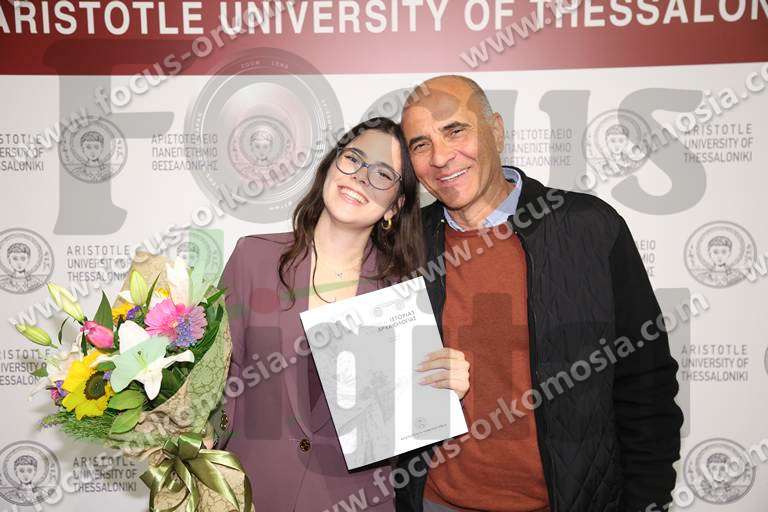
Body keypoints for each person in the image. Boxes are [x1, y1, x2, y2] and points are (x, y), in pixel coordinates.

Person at [395, 75, 684, 512]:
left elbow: (646, 381)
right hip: (437, 503)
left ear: (496, 131)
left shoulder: (588, 227)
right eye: (421, 144)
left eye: (455, 130)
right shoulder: (405, 245)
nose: (440, 157)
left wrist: (647, 500)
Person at [212, 117, 471, 511]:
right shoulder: (253, 256)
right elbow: (216, 382)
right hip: (249, 493)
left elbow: (409, 418)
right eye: (353, 159)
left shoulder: (404, 293)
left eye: (382, 174)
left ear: (395, 206)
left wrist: (444, 387)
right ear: (331, 166)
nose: (361, 177)